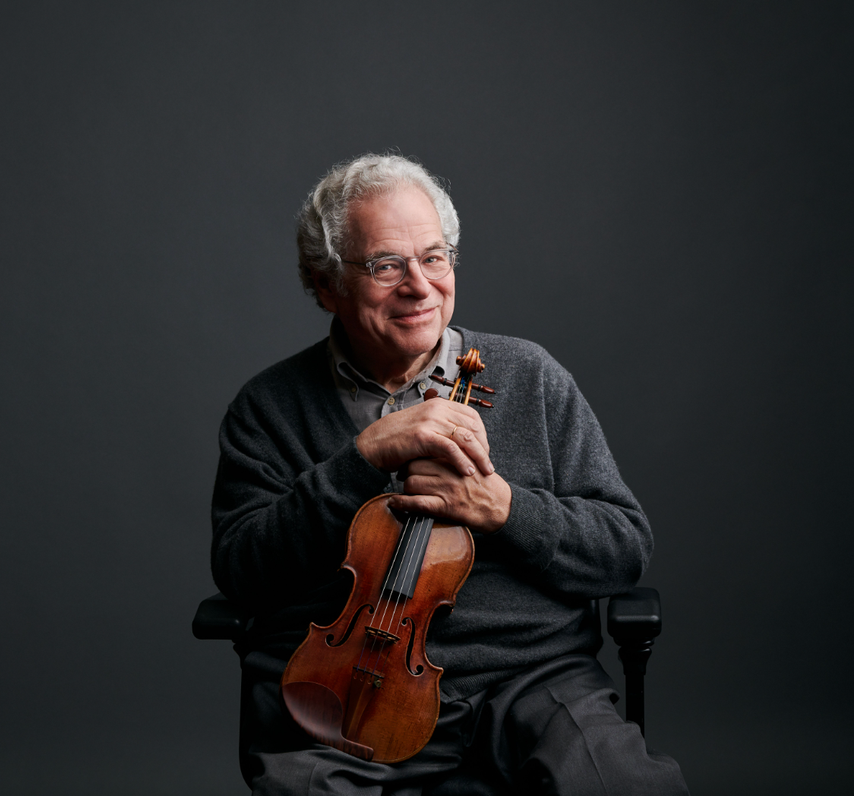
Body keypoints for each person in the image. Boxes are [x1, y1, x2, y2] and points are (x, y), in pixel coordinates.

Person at [210, 154, 689, 795]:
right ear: (326, 285)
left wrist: (506, 509)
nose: (420, 286)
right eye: (386, 266)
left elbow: (623, 548)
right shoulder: (268, 408)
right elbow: (243, 570)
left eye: (434, 258)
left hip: (533, 682)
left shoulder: (531, 376)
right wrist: (360, 461)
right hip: (347, 699)